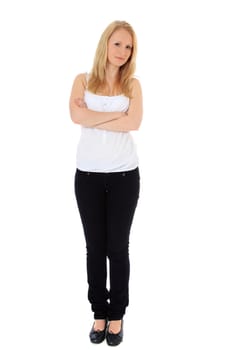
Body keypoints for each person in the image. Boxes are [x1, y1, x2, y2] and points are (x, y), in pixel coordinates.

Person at [69, 20, 143, 346]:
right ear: (105, 44)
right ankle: (99, 312)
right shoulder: (82, 80)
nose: (122, 52)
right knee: (95, 249)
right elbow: (76, 117)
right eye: (118, 44)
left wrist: (95, 116)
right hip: (87, 176)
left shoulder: (133, 85)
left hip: (125, 175)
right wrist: (117, 117)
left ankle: (117, 315)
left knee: (118, 248)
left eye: (128, 47)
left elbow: (136, 123)